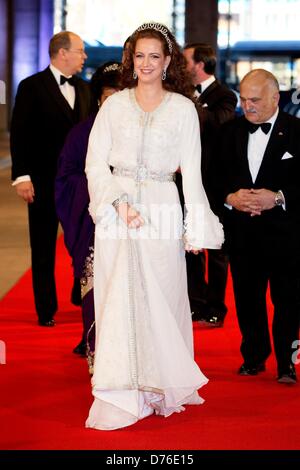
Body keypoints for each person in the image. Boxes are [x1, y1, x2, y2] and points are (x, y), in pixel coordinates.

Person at [85, 22, 224, 431]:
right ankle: (122, 388)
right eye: (139, 56)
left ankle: (161, 384)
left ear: (167, 63)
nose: (146, 63)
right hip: (115, 211)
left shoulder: (183, 110)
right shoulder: (114, 106)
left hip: (163, 208)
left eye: (154, 56)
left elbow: (193, 175)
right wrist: (118, 201)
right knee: (119, 295)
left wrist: (196, 226)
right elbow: (95, 162)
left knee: (161, 295)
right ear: (131, 60)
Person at [215, 69, 300, 384]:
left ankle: (287, 363)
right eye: (243, 99)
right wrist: (230, 197)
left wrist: (277, 197)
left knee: (289, 302)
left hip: (287, 236)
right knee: (247, 300)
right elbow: (213, 178)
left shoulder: (297, 132)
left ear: (275, 98)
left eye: (255, 100)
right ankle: (253, 357)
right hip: (242, 235)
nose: (247, 106)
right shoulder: (228, 132)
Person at [10, 31, 94, 327]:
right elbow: (20, 134)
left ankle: (80, 294)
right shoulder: (31, 87)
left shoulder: (85, 90)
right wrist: (21, 176)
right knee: (43, 248)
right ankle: (45, 310)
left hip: (80, 185)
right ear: (62, 53)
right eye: (80, 51)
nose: (84, 56)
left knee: (83, 245)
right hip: (43, 183)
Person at [55, 61, 122, 369]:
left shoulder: (140, 132)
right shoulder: (81, 133)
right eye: (110, 97)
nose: (116, 104)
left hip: (132, 225)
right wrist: (101, 187)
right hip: (93, 224)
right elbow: (66, 178)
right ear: (99, 98)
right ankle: (97, 350)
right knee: (96, 292)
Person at [179, 42, 237, 327]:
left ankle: (216, 308)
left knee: (215, 249)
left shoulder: (225, 96)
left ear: (200, 64)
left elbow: (218, 124)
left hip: (214, 185)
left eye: (186, 60)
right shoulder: (181, 96)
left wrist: (190, 104)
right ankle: (195, 304)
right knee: (189, 246)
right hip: (185, 183)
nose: (181, 65)